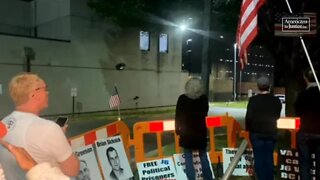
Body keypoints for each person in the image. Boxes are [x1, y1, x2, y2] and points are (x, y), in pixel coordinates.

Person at [0, 73, 80, 179]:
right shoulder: (49, 129)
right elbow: (72, 170)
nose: (48, 93)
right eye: (45, 89)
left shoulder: (3, 123)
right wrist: (60, 137)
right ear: (34, 95)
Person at [175, 77, 213, 180]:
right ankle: (209, 177)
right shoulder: (203, 99)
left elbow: (178, 116)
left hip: (186, 132)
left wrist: (177, 130)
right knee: (203, 156)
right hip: (200, 131)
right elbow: (205, 112)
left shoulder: (182, 99)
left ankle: (191, 178)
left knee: (188, 157)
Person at [245, 75, 282, 180]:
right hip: (271, 132)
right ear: (268, 87)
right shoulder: (275, 100)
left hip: (256, 133)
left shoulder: (253, 100)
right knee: (269, 157)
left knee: (259, 158)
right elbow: (277, 115)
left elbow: (249, 117)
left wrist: (248, 129)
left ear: (258, 87)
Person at [295, 68, 320, 180]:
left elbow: (298, 111)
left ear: (305, 79)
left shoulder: (303, 94)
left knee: (305, 163)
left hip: (305, 132)